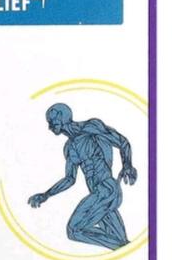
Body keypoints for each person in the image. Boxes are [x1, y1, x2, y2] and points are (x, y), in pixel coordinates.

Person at [28, 103, 137, 249]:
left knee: (74, 230)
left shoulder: (91, 126)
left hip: (106, 189)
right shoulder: (69, 148)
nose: (49, 126)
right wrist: (46, 194)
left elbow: (122, 142)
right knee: (121, 243)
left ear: (61, 117)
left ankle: (123, 247)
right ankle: (124, 247)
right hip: (98, 196)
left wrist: (127, 165)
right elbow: (69, 179)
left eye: (51, 121)